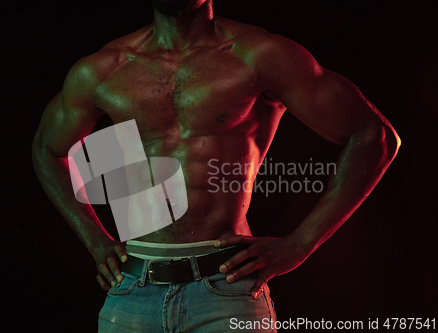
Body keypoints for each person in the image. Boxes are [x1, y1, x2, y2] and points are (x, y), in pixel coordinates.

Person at [32, 0, 400, 331]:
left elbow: (373, 135)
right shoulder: (103, 69)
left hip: (226, 292)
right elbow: (48, 149)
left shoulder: (257, 54)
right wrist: (96, 242)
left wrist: (301, 243)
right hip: (132, 292)